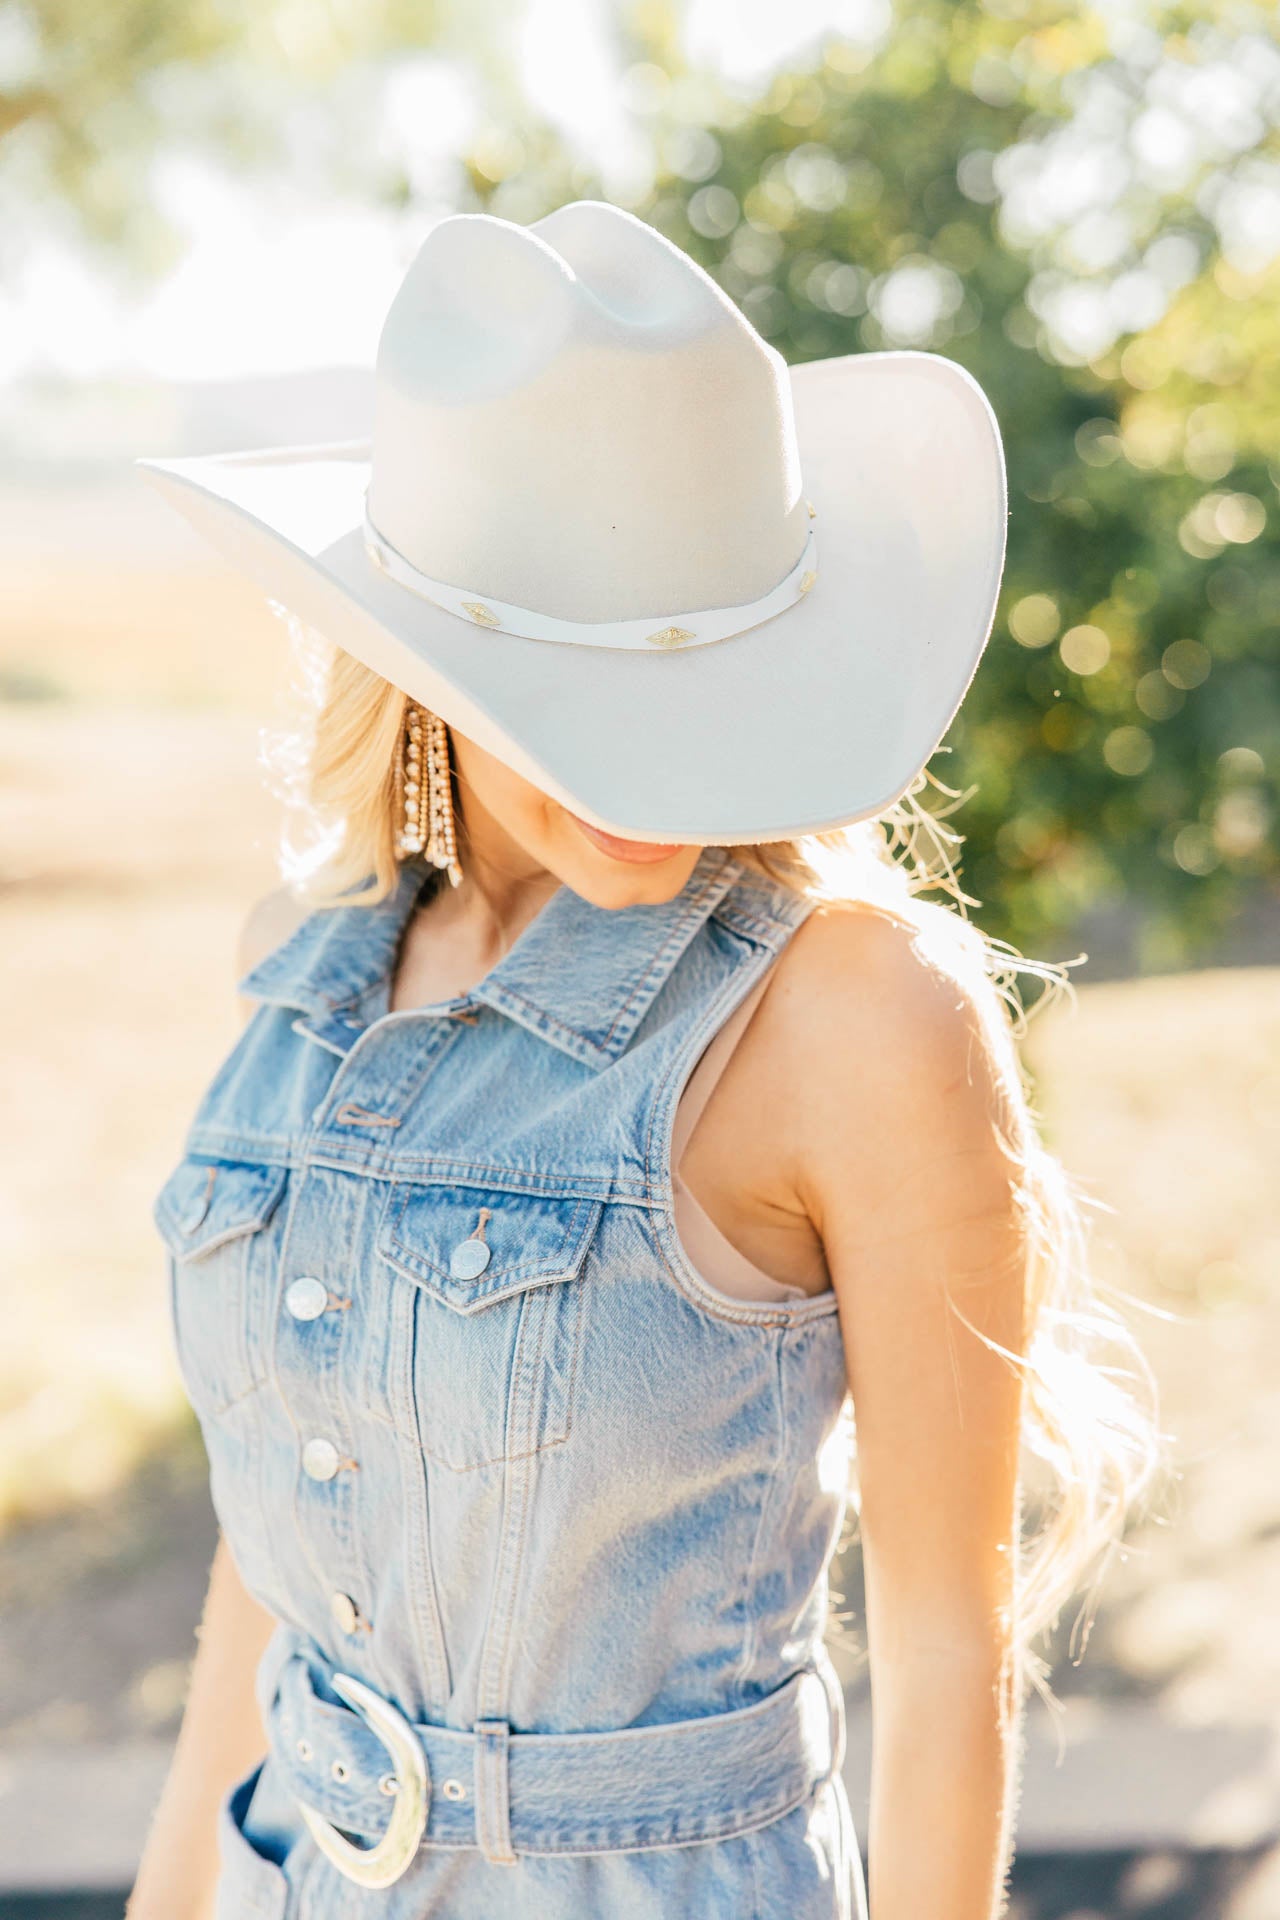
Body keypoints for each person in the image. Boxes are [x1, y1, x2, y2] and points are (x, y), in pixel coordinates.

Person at [126, 201, 1157, 1920]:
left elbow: (944, 1648)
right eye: (561, 692)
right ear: (427, 663)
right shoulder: (297, 971)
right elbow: (274, 1572)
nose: (642, 773)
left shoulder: (854, 1017)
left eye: (683, 675)